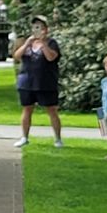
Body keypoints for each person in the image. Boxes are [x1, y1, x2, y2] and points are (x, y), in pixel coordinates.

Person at [13, 15, 63, 148]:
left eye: (40, 27)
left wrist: (43, 45)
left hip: (45, 82)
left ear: (46, 29)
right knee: (27, 109)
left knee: (51, 110)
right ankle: (24, 137)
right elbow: (17, 56)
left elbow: (51, 57)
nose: (37, 30)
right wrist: (27, 44)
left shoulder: (52, 43)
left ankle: (58, 139)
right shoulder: (27, 42)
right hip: (27, 82)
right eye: (35, 27)